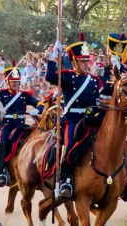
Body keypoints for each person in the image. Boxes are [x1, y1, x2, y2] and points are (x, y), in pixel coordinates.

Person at [46, 33, 102, 199]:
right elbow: (50, 77)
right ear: (75, 61)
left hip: (89, 120)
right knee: (70, 146)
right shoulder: (67, 76)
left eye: (87, 61)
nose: (87, 64)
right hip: (72, 120)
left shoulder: (93, 80)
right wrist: (52, 58)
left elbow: (96, 102)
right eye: (83, 61)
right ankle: (65, 180)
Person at [0, 60, 43, 187]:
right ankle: (1, 172)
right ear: (7, 82)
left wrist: (37, 109)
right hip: (8, 125)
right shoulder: (1, 94)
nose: (16, 84)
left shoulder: (24, 96)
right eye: (13, 82)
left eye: (17, 82)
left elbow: (39, 103)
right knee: (3, 140)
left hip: (21, 124)